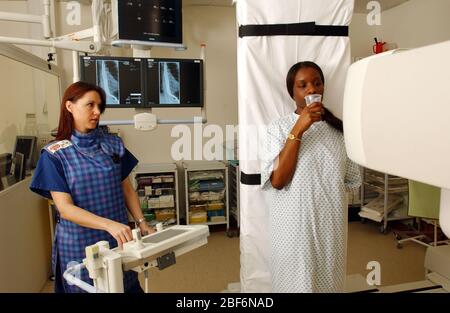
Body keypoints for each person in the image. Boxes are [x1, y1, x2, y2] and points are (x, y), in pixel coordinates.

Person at [30, 81, 154, 293]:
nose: (97, 112)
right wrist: (109, 225)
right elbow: (65, 209)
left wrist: (141, 222)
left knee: (124, 285)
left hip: (118, 236)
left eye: (100, 106)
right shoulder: (55, 154)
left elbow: (126, 188)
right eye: (90, 105)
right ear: (69, 106)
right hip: (80, 243)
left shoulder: (113, 145)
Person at [260, 61, 361, 292]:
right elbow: (277, 181)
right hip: (292, 228)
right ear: (292, 92)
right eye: (302, 85)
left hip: (330, 226)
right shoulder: (278, 128)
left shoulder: (340, 132)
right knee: (294, 284)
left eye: (317, 83)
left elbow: (349, 180)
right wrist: (298, 129)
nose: (312, 90)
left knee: (329, 282)